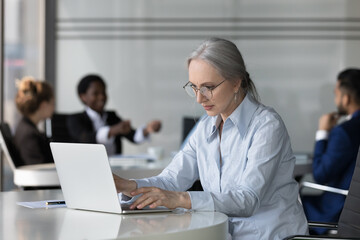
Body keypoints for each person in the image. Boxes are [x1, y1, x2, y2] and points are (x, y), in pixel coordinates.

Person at [113, 38, 308, 239]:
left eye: (208, 87)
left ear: (236, 82)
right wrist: (130, 186)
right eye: (194, 87)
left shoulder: (267, 126)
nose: (199, 98)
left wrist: (180, 199)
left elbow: (248, 200)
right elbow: (171, 180)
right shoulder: (205, 127)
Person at [301, 69, 360, 234]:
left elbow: (320, 175)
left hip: (339, 209)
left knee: (292, 202)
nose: (336, 99)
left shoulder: (345, 132)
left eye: (336, 94)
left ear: (346, 98)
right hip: (353, 207)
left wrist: (323, 133)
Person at [67, 74, 161, 155]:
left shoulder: (112, 117)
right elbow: (85, 138)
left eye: (103, 92)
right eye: (95, 93)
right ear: (83, 96)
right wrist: (112, 131)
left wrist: (147, 129)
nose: (102, 97)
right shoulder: (75, 119)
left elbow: (133, 136)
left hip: (115, 170)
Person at [14, 76, 55, 165]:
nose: (54, 107)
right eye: (52, 103)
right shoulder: (29, 135)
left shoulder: (26, 127)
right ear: (44, 105)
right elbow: (38, 168)